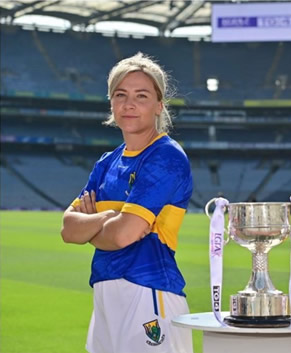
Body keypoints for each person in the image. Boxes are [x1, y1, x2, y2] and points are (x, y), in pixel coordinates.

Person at [61, 52, 193, 353]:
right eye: (120, 95)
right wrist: (110, 219)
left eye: (141, 96)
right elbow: (69, 229)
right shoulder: (107, 162)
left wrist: (96, 224)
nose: (129, 104)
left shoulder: (166, 157)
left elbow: (124, 235)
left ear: (159, 105)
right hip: (105, 291)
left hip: (149, 292)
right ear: (111, 102)